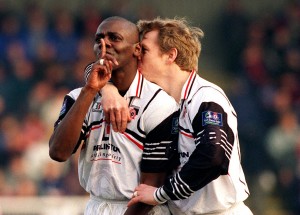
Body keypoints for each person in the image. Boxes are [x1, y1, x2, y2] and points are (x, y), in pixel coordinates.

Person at [102, 17, 253, 214]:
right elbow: (97, 70)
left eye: (145, 50)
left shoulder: (205, 96)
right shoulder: (166, 102)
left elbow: (213, 156)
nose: (137, 55)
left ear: (170, 55)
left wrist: (160, 194)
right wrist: (107, 88)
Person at [49, 16, 179, 215]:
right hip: (96, 205)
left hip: (140, 209)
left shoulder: (159, 104)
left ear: (137, 49)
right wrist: (91, 90)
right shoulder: (78, 97)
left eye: (114, 38)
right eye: (98, 39)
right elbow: (58, 152)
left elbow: (152, 186)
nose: (104, 43)